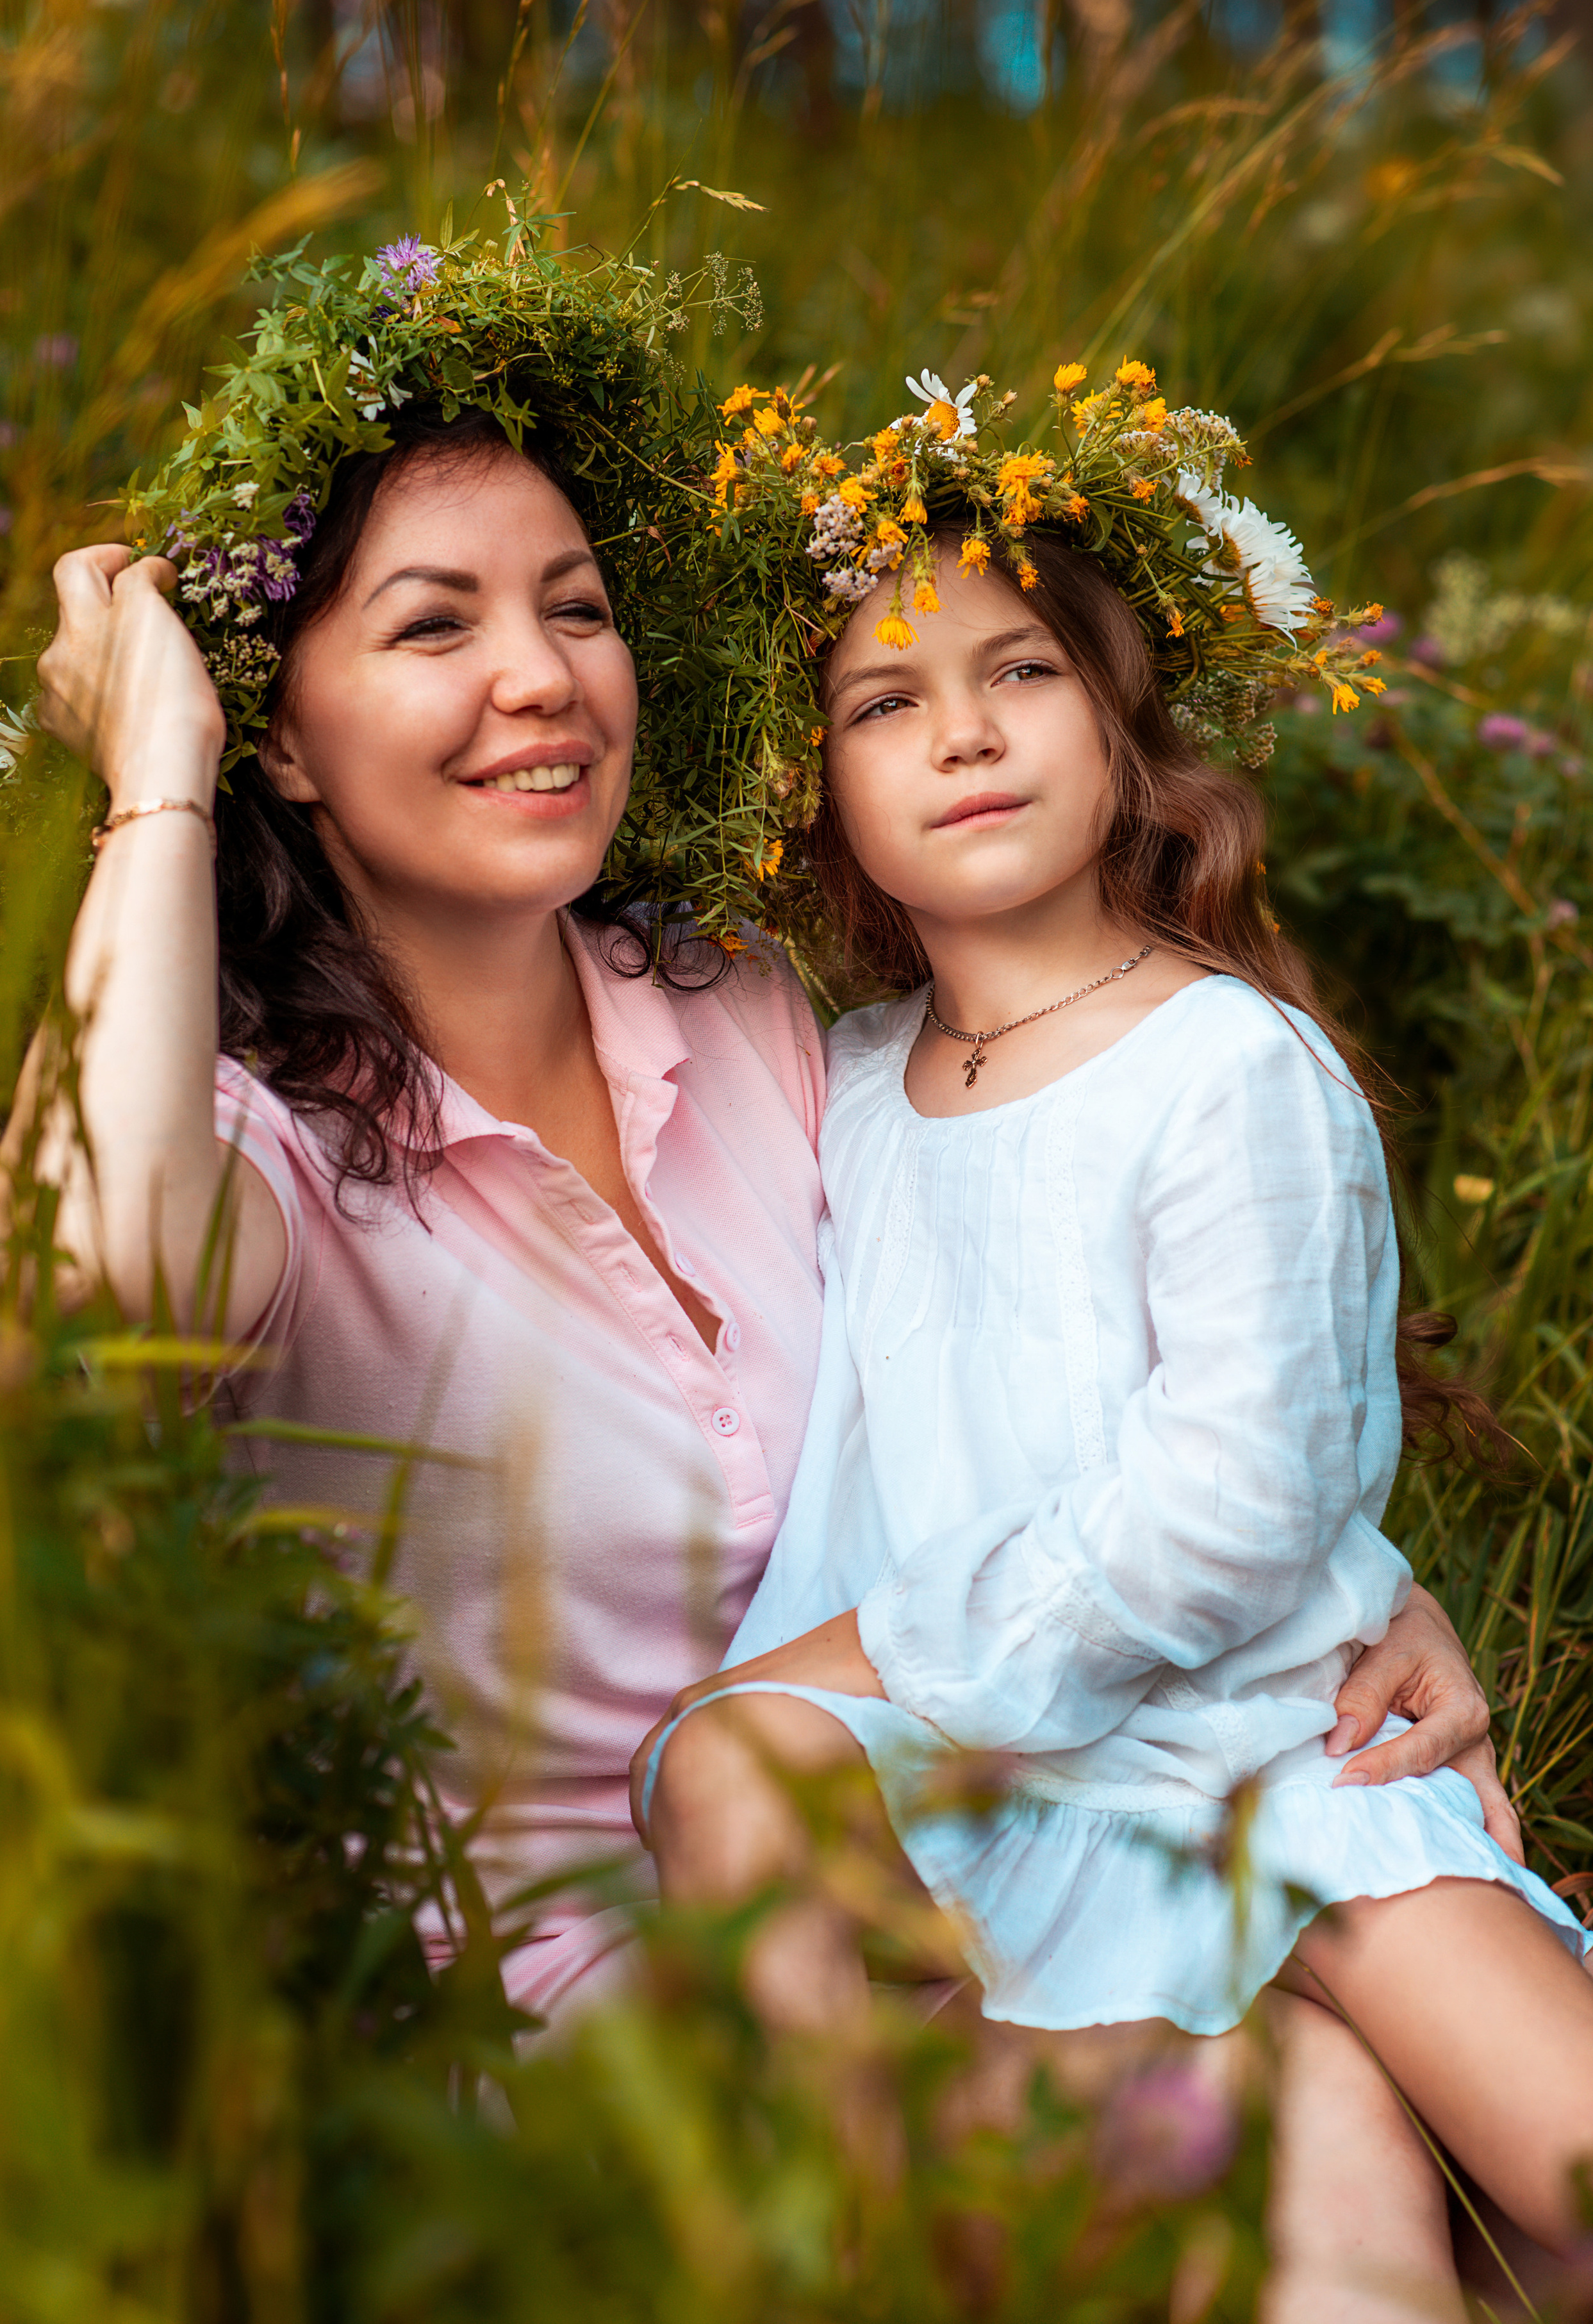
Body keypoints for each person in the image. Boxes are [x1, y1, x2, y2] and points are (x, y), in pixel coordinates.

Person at [4, 240, 1509, 2208]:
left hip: (956, 1835)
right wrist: (152, 784)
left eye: (577, 609)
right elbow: (82, 1278)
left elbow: (1027, 1372)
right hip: (598, 2008)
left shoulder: (745, 1019)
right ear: (283, 735)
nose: (537, 675)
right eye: (430, 627)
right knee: (1307, 2129)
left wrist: (1334, 1583)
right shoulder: (263, 1155)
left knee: (1343, 2115)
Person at [632, 367, 1593, 2305]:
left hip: (1281, 1767)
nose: (961, 734)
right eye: (881, 702)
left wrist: (900, 1652)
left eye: (1021, 673)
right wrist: (834, 1686)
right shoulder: (853, 1082)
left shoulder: (1228, 1060)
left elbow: (1245, 1486)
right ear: (817, 784)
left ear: (1123, 719)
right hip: (1029, 1794)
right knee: (716, 1770)